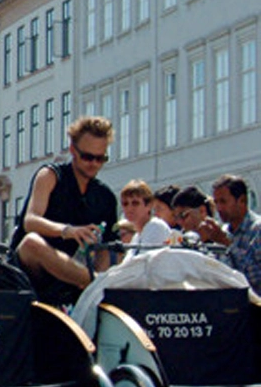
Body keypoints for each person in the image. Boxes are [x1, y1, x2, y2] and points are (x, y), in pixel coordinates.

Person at [9, 116, 118, 305]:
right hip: (29, 271)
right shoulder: (50, 176)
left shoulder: (105, 197)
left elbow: (106, 249)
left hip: (70, 279)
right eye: (87, 157)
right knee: (31, 242)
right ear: (73, 150)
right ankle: (96, 283)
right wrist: (67, 231)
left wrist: (101, 271)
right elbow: (31, 221)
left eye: (100, 158)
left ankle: (94, 285)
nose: (94, 163)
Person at [197, 174, 261, 295]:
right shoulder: (223, 231)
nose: (219, 208)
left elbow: (256, 278)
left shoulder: (257, 230)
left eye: (223, 201)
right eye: (216, 202)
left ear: (242, 201)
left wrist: (227, 244)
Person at [119, 179, 172, 251]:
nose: (129, 208)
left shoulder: (156, 226)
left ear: (149, 205)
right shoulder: (136, 237)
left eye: (135, 203)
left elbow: (148, 257)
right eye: (125, 204)